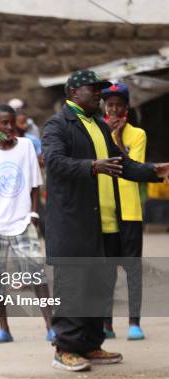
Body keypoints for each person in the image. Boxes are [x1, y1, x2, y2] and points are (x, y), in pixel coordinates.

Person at [42, 70, 169, 372]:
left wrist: (154, 171)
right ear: (73, 92)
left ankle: (90, 344)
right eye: (93, 89)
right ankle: (65, 348)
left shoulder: (99, 125)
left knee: (99, 285)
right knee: (73, 286)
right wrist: (92, 166)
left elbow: (121, 164)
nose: (99, 94)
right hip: (73, 223)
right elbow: (55, 163)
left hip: (105, 222)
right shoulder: (58, 125)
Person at [0, 105, 54, 343]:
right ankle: (4, 329)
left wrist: (34, 214)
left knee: (37, 275)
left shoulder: (26, 146)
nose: (9, 127)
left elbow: (35, 185)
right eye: (4, 123)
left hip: (22, 220)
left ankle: (50, 327)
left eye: (11, 123)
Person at [101, 82, 146, 340]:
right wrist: (108, 136)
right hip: (107, 210)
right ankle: (106, 323)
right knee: (106, 270)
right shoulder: (99, 133)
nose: (114, 109)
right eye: (110, 105)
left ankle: (134, 322)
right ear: (105, 108)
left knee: (133, 269)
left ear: (126, 108)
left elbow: (132, 167)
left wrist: (116, 139)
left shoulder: (138, 135)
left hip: (129, 211)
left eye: (118, 105)